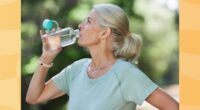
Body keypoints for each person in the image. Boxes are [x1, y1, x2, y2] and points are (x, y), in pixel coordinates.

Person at [26, 3, 179, 110]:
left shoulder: (125, 73)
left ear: (104, 32)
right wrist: (46, 58)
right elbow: (33, 97)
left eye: (89, 21)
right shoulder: (77, 69)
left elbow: (172, 106)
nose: (80, 25)